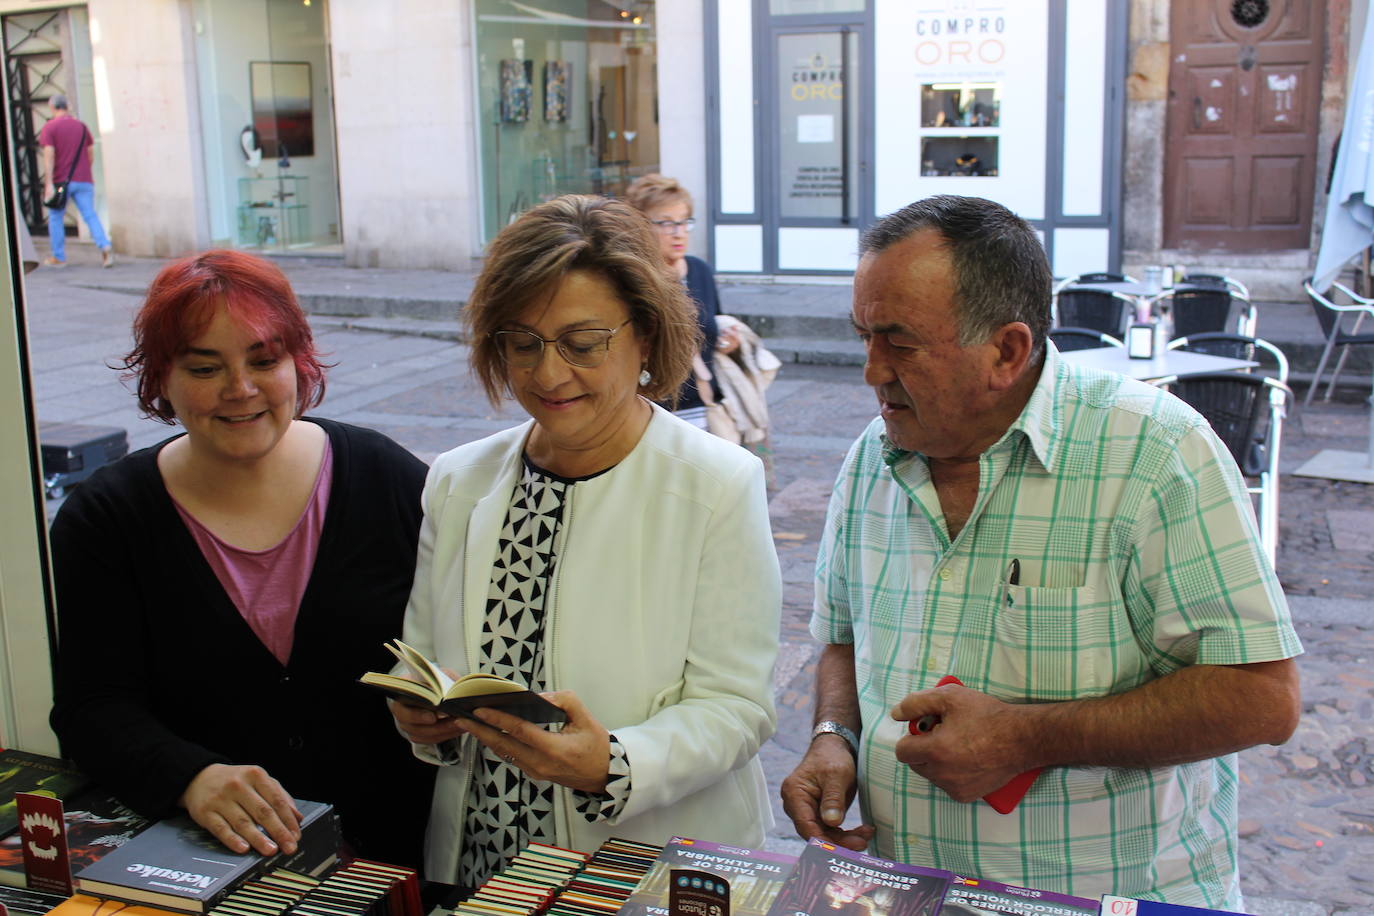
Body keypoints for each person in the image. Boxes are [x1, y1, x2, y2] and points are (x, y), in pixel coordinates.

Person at [780, 195, 1302, 908]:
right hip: (914, 893)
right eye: (863, 335)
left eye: (899, 343)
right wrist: (833, 735)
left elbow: (1262, 699)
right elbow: (842, 636)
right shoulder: (872, 458)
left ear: (1007, 351)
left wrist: (1027, 738)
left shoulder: (1153, 452)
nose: (871, 370)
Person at [390, 194, 780, 888]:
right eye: (523, 343)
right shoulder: (459, 480)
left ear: (645, 338)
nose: (548, 374)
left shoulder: (717, 484)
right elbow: (422, 659)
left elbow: (739, 706)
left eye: (582, 343)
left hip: (646, 872)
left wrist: (617, 763)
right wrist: (420, 715)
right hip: (481, 866)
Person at [48, 249, 434, 868]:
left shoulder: (384, 476)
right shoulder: (107, 519)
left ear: (298, 362)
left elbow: (456, 643)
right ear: (161, 380)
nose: (240, 390)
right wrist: (190, 777)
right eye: (205, 368)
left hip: (400, 858)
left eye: (264, 360)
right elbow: (92, 709)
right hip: (220, 865)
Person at [624, 174, 735, 428]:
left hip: (703, 411)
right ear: (640, 225)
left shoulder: (700, 271)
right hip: (648, 415)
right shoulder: (630, 280)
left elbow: (710, 329)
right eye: (666, 223)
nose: (679, 233)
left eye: (685, 222)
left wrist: (728, 342)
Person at [39, 94, 113, 268]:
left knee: (56, 216)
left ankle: (58, 256)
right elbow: (90, 153)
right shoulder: (81, 127)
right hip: (84, 179)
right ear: (67, 106)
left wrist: (48, 182)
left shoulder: (50, 127)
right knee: (90, 214)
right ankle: (104, 245)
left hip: (60, 181)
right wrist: (84, 170)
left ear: (52, 107)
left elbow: (49, 154)